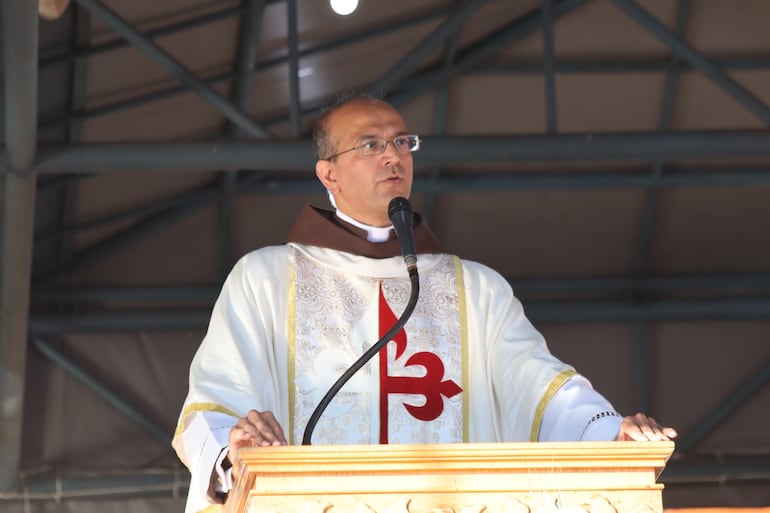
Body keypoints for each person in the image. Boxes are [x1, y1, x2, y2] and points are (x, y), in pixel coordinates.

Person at [172, 94, 677, 513]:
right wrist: (233, 453)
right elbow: (214, 402)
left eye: (400, 142)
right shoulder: (266, 278)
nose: (393, 156)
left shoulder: (474, 290)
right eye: (370, 145)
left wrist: (609, 436)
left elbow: (541, 386)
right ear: (329, 174)